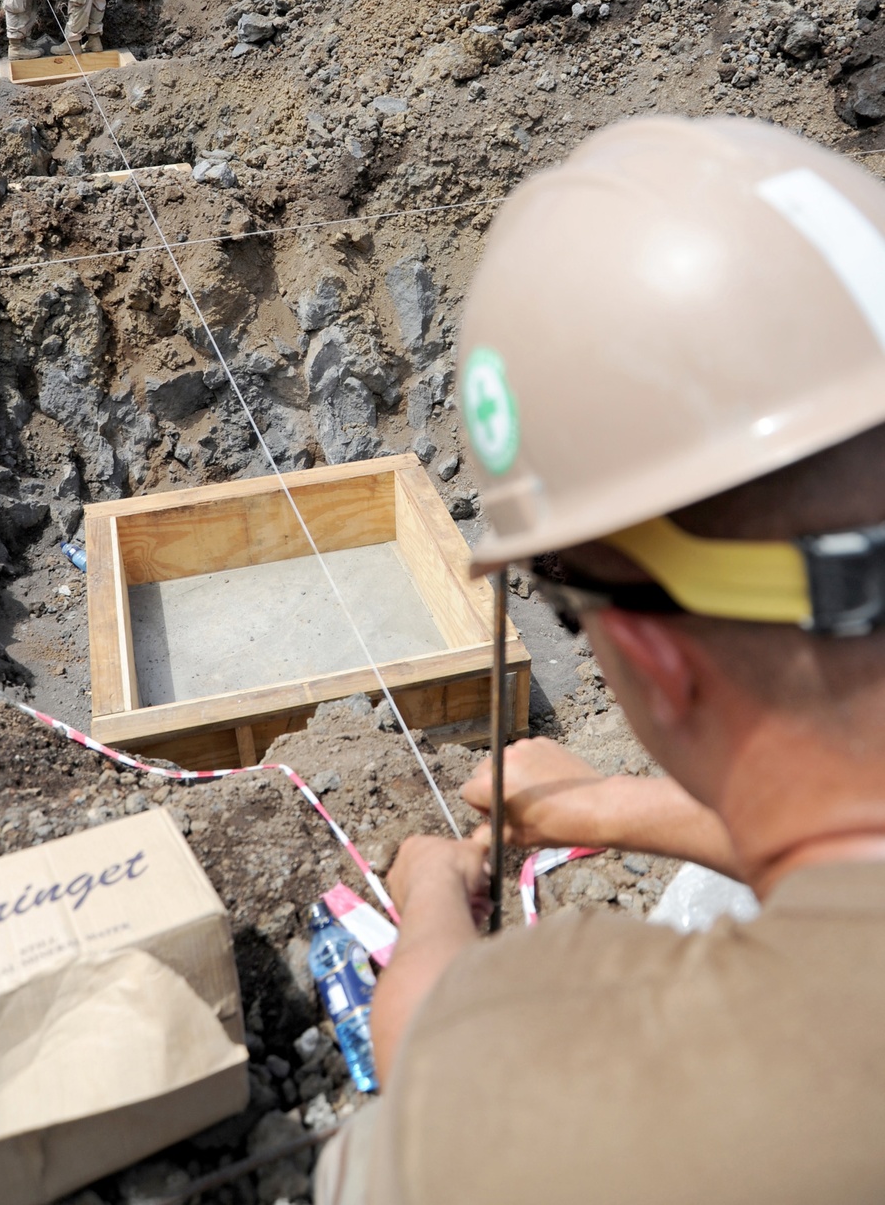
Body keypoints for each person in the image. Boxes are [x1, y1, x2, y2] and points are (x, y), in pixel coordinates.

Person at [316, 115, 885, 1204]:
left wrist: (432, 892)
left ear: (648, 655)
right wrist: (613, 806)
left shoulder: (597, 1097)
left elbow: (434, 1040)